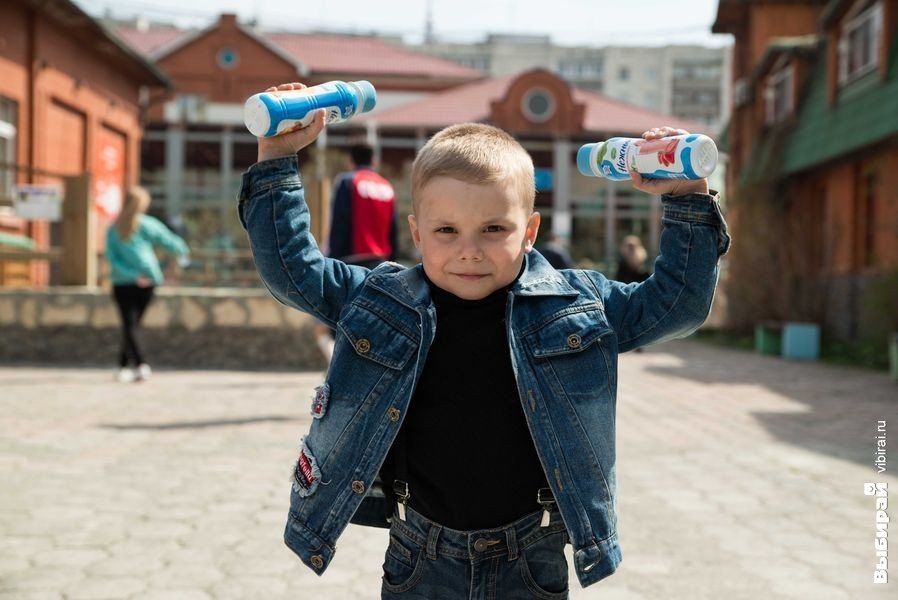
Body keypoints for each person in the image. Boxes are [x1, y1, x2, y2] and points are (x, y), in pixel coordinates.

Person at [240, 82, 730, 597]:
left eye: (493, 229)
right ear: (417, 231)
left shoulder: (576, 304)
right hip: (418, 556)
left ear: (530, 231)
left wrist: (686, 198)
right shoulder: (380, 300)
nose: (469, 251)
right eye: (446, 231)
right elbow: (292, 271)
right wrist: (276, 156)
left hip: (531, 557)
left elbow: (678, 304)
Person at [314, 142, 398, 362]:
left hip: (350, 261)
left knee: (339, 322)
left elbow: (339, 222)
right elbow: (393, 229)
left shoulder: (347, 181)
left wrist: (330, 261)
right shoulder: (387, 186)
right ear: (374, 161)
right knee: (371, 322)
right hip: (381, 262)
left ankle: (342, 370)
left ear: (350, 161)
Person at [105, 186, 188, 383]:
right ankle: (133, 364)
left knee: (130, 325)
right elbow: (171, 242)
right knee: (132, 325)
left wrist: (132, 275)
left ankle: (129, 365)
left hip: (124, 282)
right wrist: (182, 251)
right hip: (146, 280)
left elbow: (112, 258)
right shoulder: (147, 224)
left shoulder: (114, 228)